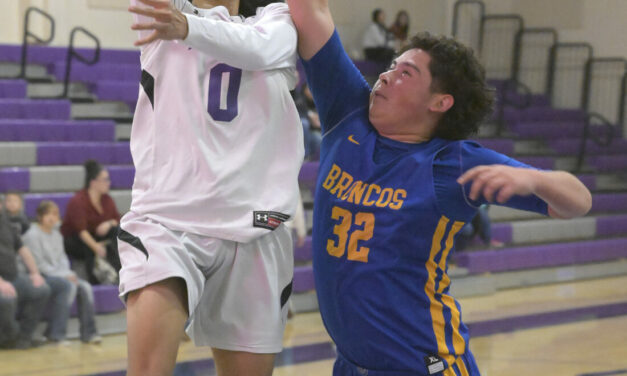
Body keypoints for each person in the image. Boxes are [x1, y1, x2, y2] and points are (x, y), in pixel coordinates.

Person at [286, 1, 593, 374]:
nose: (385, 76)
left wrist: (537, 179)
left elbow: (577, 202)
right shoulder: (347, 112)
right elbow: (308, 11)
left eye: (406, 73)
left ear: (439, 102)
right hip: (353, 365)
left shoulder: (452, 163)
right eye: (391, 66)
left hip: (427, 365)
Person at [122, 0, 303, 375]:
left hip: (256, 229)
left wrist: (187, 28)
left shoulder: (277, 19)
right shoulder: (161, 12)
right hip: (169, 223)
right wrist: (181, 23)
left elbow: (262, 48)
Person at [22, 201, 102, 344]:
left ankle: (89, 333)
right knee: (68, 286)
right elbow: (38, 265)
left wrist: (68, 273)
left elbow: (63, 259)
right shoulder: (32, 235)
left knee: (85, 287)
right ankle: (56, 334)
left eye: (55, 214)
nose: (53, 217)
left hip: (60, 274)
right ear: (40, 216)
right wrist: (64, 276)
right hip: (40, 276)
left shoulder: (57, 235)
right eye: (48, 214)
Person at [61, 160, 121, 284]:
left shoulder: (107, 199)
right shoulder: (78, 201)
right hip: (74, 240)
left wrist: (109, 223)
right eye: (105, 179)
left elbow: (117, 219)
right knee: (89, 246)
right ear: (93, 182)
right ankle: (94, 281)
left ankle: (119, 273)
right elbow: (81, 231)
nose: (108, 183)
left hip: (95, 236)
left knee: (116, 232)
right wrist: (96, 247)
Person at [0, 200, 49, 349]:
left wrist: (35, 273)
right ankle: (9, 338)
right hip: (2, 282)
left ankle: (25, 337)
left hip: (13, 277)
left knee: (41, 289)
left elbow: (22, 249)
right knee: (7, 299)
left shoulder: (5, 224)